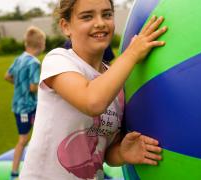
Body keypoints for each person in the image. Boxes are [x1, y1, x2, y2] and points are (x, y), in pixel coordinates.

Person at [20, 0, 167, 179]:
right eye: (87, 16)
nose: (100, 23)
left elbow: (102, 151)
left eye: (106, 14)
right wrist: (132, 53)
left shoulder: (115, 84)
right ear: (66, 26)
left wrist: (121, 152)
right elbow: (92, 101)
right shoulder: (58, 60)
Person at [4, 26, 46, 180]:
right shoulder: (34, 63)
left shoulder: (19, 58)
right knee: (23, 140)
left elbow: (7, 76)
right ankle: (14, 173)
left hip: (19, 106)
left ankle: (36, 167)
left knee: (40, 134)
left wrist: (19, 85)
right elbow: (33, 87)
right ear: (41, 44)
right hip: (27, 108)